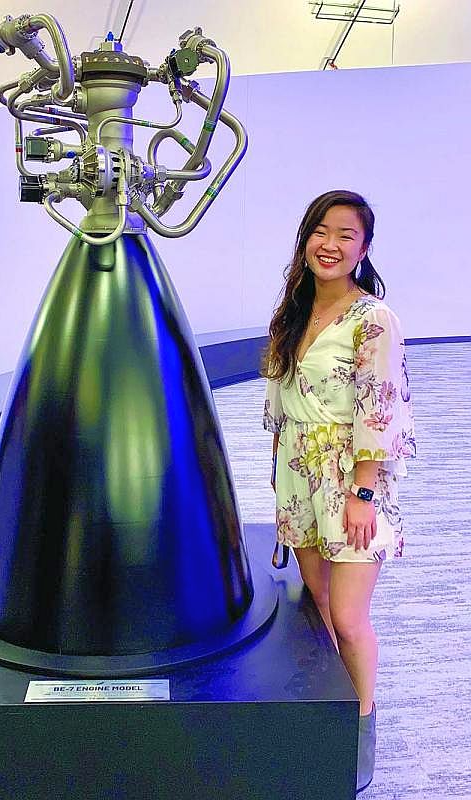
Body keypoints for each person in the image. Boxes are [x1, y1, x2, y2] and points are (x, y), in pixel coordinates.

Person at [262, 189, 416, 794]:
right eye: (320, 232)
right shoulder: (293, 311)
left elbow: (382, 406)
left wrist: (364, 493)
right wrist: (278, 479)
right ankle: (327, 718)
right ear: (306, 239)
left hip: (350, 478)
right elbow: (280, 403)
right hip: (297, 474)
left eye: (346, 235)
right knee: (320, 611)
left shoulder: (372, 319)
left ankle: (361, 728)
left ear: (364, 248)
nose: (330, 244)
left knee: (350, 619)